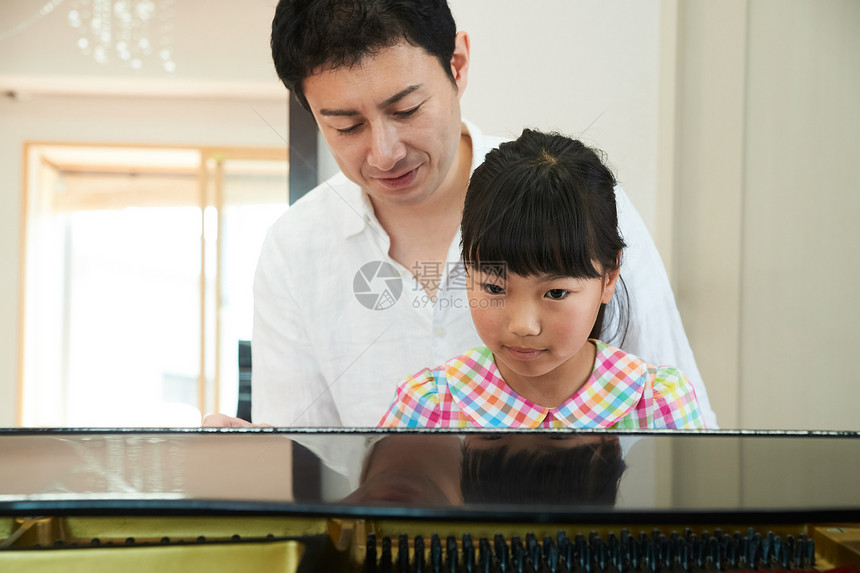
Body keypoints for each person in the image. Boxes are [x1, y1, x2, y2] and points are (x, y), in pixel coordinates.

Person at [211, 0, 716, 429]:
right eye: (346, 126)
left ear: (457, 64)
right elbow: (305, 464)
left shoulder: (573, 203)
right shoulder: (294, 248)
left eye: (406, 110)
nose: (384, 153)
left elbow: (684, 441)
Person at [378, 130, 704, 429]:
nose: (523, 326)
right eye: (494, 288)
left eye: (556, 293)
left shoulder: (658, 406)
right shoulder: (427, 409)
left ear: (608, 278)